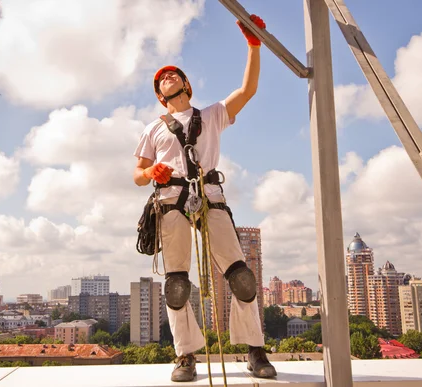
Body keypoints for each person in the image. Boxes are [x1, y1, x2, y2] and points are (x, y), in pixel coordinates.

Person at [133, 14, 276, 382]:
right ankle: (186, 356)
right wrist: (152, 173)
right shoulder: (153, 129)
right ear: (159, 94)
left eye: (173, 74)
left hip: (209, 195)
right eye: (161, 78)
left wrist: (253, 44)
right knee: (177, 284)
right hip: (170, 200)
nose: (168, 76)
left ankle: (254, 349)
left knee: (241, 277)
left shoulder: (211, 115)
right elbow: (137, 174)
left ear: (186, 85)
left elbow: (248, 90)